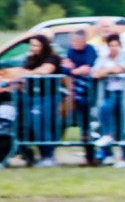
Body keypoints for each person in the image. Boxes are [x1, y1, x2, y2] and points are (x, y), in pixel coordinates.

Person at [91, 34, 125, 167]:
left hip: (123, 94)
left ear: (120, 46)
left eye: (116, 45)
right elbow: (95, 73)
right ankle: (108, 149)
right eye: (111, 45)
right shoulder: (103, 58)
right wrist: (109, 70)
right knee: (104, 111)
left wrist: (106, 71)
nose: (113, 48)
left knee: (124, 125)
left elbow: (120, 69)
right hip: (108, 93)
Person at [15, 35, 62, 167]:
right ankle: (43, 155)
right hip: (32, 97)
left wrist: (26, 74)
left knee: (42, 125)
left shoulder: (53, 58)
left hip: (48, 97)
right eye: (32, 45)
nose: (33, 48)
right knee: (35, 126)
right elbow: (24, 72)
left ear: (44, 46)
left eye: (36, 45)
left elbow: (45, 70)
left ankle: (48, 156)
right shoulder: (31, 59)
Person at [61, 29, 100, 166]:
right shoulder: (71, 51)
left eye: (74, 41)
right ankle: (88, 158)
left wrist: (73, 70)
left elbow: (88, 68)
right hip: (76, 96)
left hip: (90, 95)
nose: (72, 43)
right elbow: (64, 67)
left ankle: (93, 157)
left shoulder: (90, 50)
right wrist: (75, 70)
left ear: (82, 41)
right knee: (79, 126)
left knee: (90, 128)